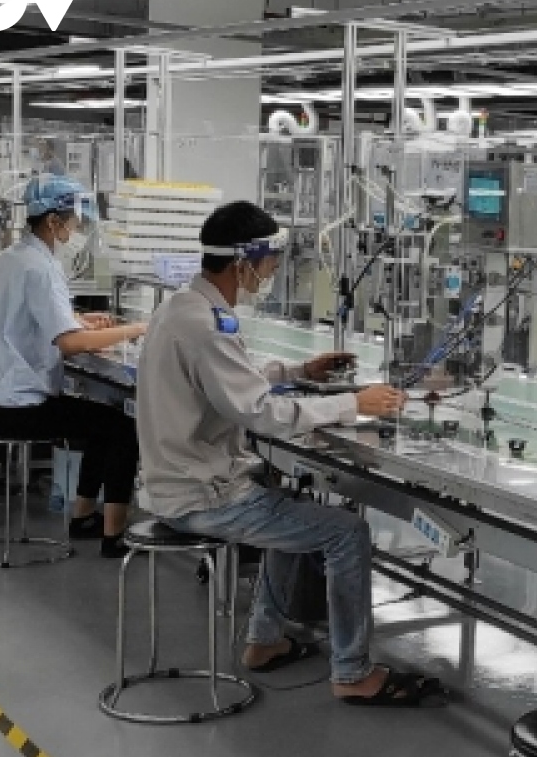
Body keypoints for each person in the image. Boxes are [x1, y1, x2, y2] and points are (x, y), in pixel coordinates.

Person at [136, 200, 442, 706]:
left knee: (286, 502)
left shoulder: (181, 309)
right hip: (201, 496)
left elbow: (229, 383)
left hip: (174, 482)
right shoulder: (206, 325)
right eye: (271, 262)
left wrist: (299, 372)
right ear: (244, 262)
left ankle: (264, 639)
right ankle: (352, 672)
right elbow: (260, 412)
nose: (273, 272)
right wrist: (354, 403)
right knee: (347, 533)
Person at [0, 175, 147, 557]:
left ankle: (84, 517)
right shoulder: (40, 267)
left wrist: (78, 320)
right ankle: (114, 536)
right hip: (21, 405)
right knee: (123, 427)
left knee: (104, 419)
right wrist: (135, 329)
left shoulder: (14, 257)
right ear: (52, 221)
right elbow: (69, 344)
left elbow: (29, 318)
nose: (77, 228)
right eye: (73, 220)